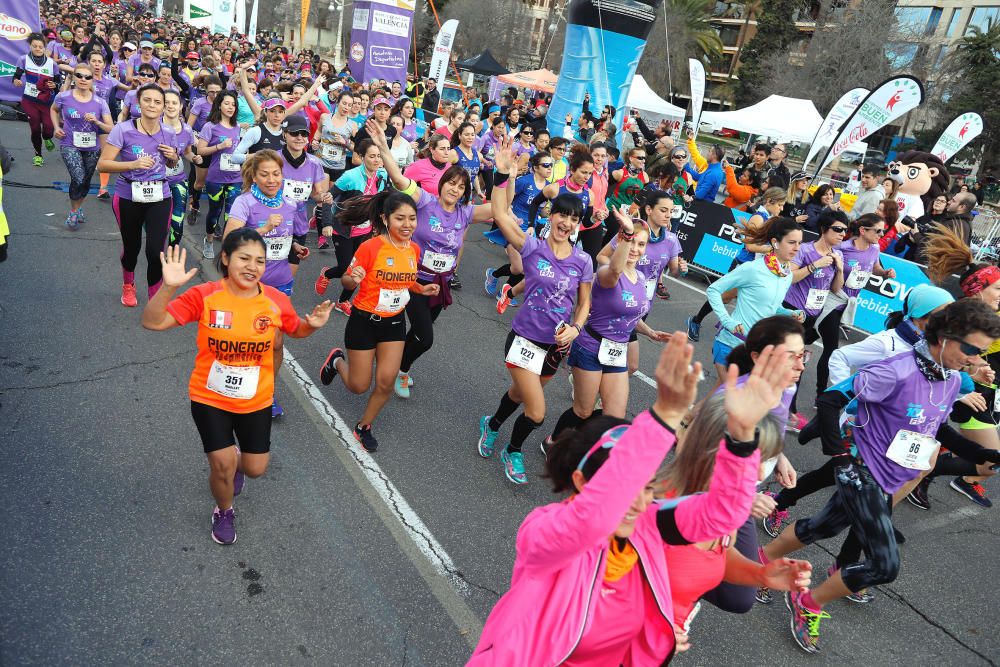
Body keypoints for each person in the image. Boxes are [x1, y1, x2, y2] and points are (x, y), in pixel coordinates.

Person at [468, 333, 797, 665]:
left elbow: (723, 514)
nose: (640, 502)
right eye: (627, 487)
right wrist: (664, 417)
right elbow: (594, 518)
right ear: (582, 482)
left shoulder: (648, 526)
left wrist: (741, 437)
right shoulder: (544, 534)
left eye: (646, 486)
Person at [761, 299, 1000, 654]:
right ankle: (808, 602)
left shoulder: (950, 379)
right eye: (970, 349)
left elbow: (936, 428)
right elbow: (830, 401)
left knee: (822, 527)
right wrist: (840, 457)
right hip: (862, 470)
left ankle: (759, 566)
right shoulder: (897, 370)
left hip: (889, 476)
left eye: (981, 353)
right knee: (884, 564)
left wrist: (977, 455)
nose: (974, 359)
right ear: (945, 336)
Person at [141, 236, 332, 545]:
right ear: (226, 259)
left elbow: (295, 329)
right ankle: (224, 510)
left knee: (255, 469)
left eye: (259, 261)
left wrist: (313, 325)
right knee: (221, 465)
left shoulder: (273, 300)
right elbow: (153, 322)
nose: (252, 267)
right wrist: (168, 287)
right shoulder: (206, 296)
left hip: (255, 398)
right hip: (209, 396)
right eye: (244, 258)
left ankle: (238, 460)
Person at [476, 139, 594, 485]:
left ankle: (493, 424)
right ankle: (513, 450)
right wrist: (500, 175)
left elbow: (584, 303)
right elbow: (499, 214)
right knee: (537, 410)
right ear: (551, 214)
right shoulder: (533, 248)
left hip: (555, 346)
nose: (568, 222)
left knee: (519, 394)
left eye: (574, 218)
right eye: (563, 214)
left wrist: (576, 327)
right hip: (524, 339)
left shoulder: (583, 261)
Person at [364, 120, 492, 397]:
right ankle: (400, 369)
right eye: (451, 183)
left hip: (438, 282)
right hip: (411, 279)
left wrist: (508, 175)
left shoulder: (465, 213)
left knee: (420, 332)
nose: (454, 189)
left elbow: (500, 211)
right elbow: (399, 179)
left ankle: (395, 364)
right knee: (425, 337)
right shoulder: (424, 201)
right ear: (442, 184)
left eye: (460, 187)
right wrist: (384, 148)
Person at [699, 315, 810, 612]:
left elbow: (768, 432)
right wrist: (745, 498)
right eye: (791, 357)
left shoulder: (785, 388)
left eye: (803, 356)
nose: (801, 366)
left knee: (739, 598)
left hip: (745, 495)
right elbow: (697, 463)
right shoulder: (730, 401)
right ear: (758, 358)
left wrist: (779, 457)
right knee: (731, 593)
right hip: (708, 499)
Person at [318, 190, 440, 453]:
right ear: (385, 219)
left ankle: (363, 427)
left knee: (385, 382)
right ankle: (337, 361)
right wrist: (355, 278)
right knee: (358, 386)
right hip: (364, 321)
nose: (407, 225)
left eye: (412, 219)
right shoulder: (370, 247)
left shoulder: (413, 249)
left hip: (393, 323)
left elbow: (405, 281)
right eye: (400, 219)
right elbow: (349, 281)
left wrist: (421, 289)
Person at [547, 212, 656, 437]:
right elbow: (614, 269)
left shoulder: (641, 279)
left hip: (617, 353)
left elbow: (630, 317)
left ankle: (588, 452)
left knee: (614, 418)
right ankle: (553, 441)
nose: (635, 248)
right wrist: (624, 234)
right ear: (621, 241)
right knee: (583, 411)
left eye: (641, 244)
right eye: (631, 241)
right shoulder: (607, 273)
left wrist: (650, 332)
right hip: (590, 348)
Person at [926, 227, 1000, 507]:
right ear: (978, 290)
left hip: (977, 393)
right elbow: (937, 360)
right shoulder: (960, 320)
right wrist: (968, 379)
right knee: (987, 459)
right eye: (997, 289)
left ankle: (925, 472)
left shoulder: (986, 315)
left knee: (984, 459)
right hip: (958, 395)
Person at [97, 83, 180, 308]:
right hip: (128, 195)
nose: (152, 105)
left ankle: (155, 296)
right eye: (148, 100)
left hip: (160, 195)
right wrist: (133, 164)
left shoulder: (169, 132)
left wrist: (173, 156)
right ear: (138, 103)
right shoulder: (123, 130)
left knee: (155, 250)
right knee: (131, 247)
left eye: (157, 102)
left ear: (164, 107)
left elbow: (173, 163)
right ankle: (128, 283)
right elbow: (102, 165)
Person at [706, 217, 804, 385]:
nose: (797, 248)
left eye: (800, 243)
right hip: (731, 345)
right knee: (734, 403)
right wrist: (726, 320)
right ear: (775, 242)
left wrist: (789, 313)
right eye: (792, 242)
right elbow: (713, 290)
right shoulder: (753, 268)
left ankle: (692, 413)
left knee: (719, 399)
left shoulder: (786, 274)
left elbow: (771, 306)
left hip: (756, 350)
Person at [782, 210, 847, 426]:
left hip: (813, 316)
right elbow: (791, 278)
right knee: (795, 361)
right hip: (793, 310)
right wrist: (814, 266)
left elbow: (836, 289)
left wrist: (839, 270)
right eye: (837, 229)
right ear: (824, 229)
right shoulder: (806, 250)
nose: (842, 234)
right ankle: (789, 411)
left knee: (791, 359)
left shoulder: (838, 254)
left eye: (845, 230)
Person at [314, 138, 388, 315]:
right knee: (344, 268)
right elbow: (327, 198)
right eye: (372, 156)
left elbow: (383, 199)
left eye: (379, 156)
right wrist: (327, 223)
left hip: (366, 230)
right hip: (344, 228)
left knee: (357, 269)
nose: (376, 160)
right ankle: (327, 274)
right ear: (362, 157)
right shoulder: (350, 176)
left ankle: (343, 301)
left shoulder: (382, 175)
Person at [51, 63, 113, 230]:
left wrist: (97, 121)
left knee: (85, 181)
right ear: (74, 77)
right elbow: (54, 110)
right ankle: (74, 211)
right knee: (78, 177)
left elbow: (111, 128)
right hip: (69, 144)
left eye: (87, 77)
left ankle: (78, 208)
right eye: (79, 75)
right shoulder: (63, 97)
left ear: (93, 80)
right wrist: (56, 127)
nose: (83, 79)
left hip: (92, 147)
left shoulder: (100, 103)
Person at [483, 151, 553, 299]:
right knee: (519, 267)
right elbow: (505, 200)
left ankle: (495, 275)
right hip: (514, 226)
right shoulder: (524, 182)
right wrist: (511, 214)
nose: (549, 168)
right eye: (545, 165)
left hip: (531, 230)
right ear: (535, 167)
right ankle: (506, 293)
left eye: (551, 165)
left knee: (521, 268)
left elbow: (541, 210)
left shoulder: (549, 187)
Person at [14, 33, 61, 167]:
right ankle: (38, 155)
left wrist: (54, 85)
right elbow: (16, 76)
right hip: (30, 100)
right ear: (30, 46)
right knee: (35, 128)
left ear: (45, 48)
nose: (38, 49)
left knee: (48, 129)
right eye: (35, 46)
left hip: (47, 102)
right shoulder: (23, 59)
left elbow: (58, 83)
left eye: (40, 46)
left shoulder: (52, 63)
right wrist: (16, 81)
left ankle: (47, 138)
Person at [162, 88, 201, 245]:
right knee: (159, 221)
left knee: (178, 220)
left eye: (174, 103)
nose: (170, 106)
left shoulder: (187, 130)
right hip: (157, 181)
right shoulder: (154, 127)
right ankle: (157, 250)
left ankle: (173, 250)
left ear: (180, 107)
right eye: (166, 103)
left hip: (178, 180)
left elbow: (187, 152)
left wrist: (194, 158)